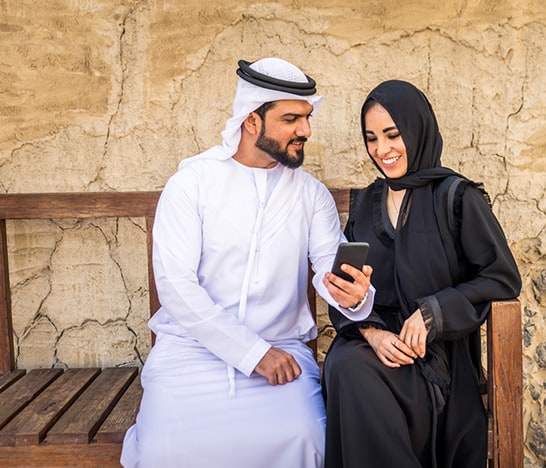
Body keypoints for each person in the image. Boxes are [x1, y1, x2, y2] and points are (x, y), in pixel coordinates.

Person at [121, 57, 374, 468]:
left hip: (284, 355)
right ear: (251, 121)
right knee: (161, 450)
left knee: (308, 439)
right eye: (291, 118)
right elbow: (176, 288)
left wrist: (354, 294)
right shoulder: (191, 185)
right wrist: (252, 353)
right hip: (191, 353)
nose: (305, 131)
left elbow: (329, 265)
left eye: (307, 118)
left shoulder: (310, 195)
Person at [321, 80, 522, 468]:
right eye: (372, 138)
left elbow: (501, 278)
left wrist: (434, 313)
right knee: (346, 363)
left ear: (417, 129)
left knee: (354, 370)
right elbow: (343, 295)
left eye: (393, 134)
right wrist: (373, 331)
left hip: (434, 361)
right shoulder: (367, 205)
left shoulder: (457, 197)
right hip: (377, 347)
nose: (382, 149)